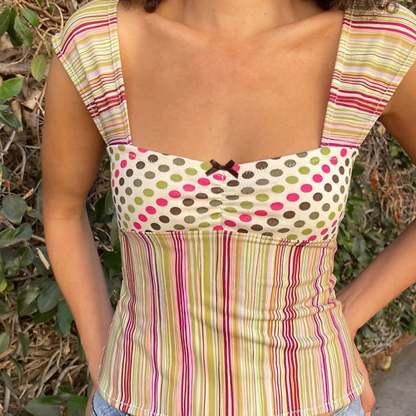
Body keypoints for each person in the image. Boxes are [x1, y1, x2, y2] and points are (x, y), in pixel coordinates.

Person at [41, 0, 416, 415]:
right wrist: (102, 358)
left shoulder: (375, 44)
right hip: (133, 399)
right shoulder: (100, 44)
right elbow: (62, 210)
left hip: (317, 398)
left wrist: (346, 315)